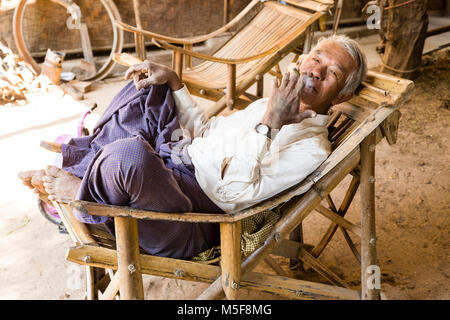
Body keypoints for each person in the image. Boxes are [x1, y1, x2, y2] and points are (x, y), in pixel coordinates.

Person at [18, 35, 367, 259]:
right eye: (317, 57)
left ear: (343, 95)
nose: (317, 70)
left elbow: (232, 196)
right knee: (147, 90)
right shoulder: (268, 105)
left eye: (332, 72)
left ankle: (85, 194)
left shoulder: (312, 149)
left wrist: (271, 124)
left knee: (131, 155)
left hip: (188, 216)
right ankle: (92, 174)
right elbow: (207, 130)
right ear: (304, 59)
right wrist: (174, 81)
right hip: (175, 162)